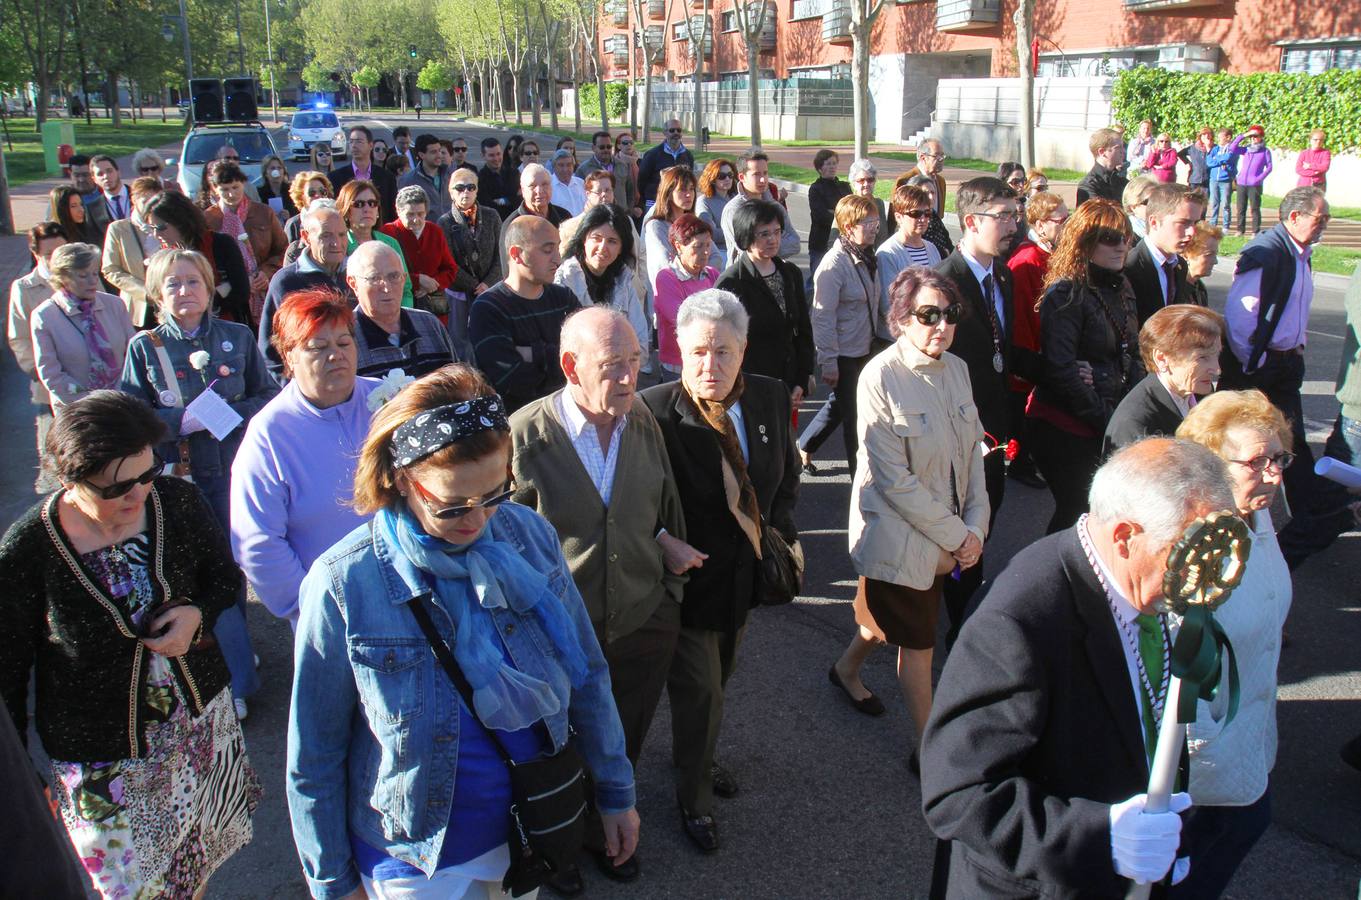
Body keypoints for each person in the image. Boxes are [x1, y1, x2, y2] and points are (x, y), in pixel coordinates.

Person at [287, 363, 639, 899]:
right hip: (415, 860)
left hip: (529, 828)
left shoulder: (528, 536)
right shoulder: (343, 584)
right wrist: (333, 883)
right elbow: (315, 752)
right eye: (453, 505)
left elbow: (587, 673)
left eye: (496, 493)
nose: (478, 521)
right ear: (403, 479)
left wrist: (616, 791)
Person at [922, 437, 1231, 897]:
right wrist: (1100, 836)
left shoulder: (1141, 587)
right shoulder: (1019, 622)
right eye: (1184, 551)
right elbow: (958, 793)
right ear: (1125, 537)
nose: (1202, 573)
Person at [0, 390, 262, 899]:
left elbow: (225, 580)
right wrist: (20, 782)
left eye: (147, 473)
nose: (138, 494)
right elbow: (7, 673)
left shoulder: (176, 501)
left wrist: (197, 615)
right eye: (116, 487)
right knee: (131, 891)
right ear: (69, 480)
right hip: (102, 760)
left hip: (197, 730)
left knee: (194, 868)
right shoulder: (28, 549)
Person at [510, 307, 692, 890]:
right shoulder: (524, 437)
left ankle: (605, 826)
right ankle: (562, 843)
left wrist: (670, 585)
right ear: (571, 366)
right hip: (560, 635)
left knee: (625, 734)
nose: (630, 377)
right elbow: (500, 546)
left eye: (636, 362)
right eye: (614, 365)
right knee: (560, 747)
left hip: (642, 621)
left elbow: (664, 509)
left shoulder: (641, 420)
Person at [640, 289, 799, 853]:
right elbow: (632, 502)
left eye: (725, 352)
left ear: (744, 349)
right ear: (677, 347)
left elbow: (786, 472)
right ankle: (694, 797)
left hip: (741, 577)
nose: (711, 366)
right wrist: (665, 543)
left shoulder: (770, 396)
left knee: (720, 681)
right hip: (683, 583)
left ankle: (696, 756)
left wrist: (781, 531)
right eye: (699, 352)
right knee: (702, 690)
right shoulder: (653, 411)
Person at [833, 266, 988, 760]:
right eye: (927, 315)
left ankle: (845, 671)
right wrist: (957, 537)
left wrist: (977, 527)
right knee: (918, 645)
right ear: (901, 318)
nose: (940, 325)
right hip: (901, 533)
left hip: (951, 534)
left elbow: (972, 456)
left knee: (880, 618)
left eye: (949, 314)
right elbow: (893, 480)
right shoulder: (879, 377)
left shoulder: (958, 369)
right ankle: (929, 754)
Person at [119, 247, 276, 718]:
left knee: (235, 568)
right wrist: (177, 421)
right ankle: (237, 684)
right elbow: (129, 415)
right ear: (157, 294)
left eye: (193, 282)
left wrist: (229, 417)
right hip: (179, 482)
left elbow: (267, 395)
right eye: (173, 284)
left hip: (236, 473)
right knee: (202, 574)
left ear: (209, 288)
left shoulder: (238, 336)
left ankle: (235, 646)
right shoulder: (145, 348)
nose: (184, 292)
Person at [1171, 391, 1293, 898]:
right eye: (1257, 463)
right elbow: (1174, 658)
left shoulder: (1256, 517)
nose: (1273, 475)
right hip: (1200, 748)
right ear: (1211, 466)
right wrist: (1203, 743)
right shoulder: (1195, 542)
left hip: (1250, 729)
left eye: (1279, 458)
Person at [231, 290, 380, 623]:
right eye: (318, 347)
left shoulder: (387, 399)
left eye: (343, 344)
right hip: (336, 612)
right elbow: (257, 542)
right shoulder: (270, 434)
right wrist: (313, 606)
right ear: (289, 356)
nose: (336, 356)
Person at [1221, 185, 1347, 570]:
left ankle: (1308, 518)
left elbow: (1296, 308)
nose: (1324, 225)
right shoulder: (1267, 253)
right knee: (1253, 445)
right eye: (1319, 218)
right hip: (1262, 368)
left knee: (1292, 441)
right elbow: (1241, 316)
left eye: (1325, 219)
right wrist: (1253, 363)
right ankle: (1240, 521)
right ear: (1294, 217)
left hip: (1287, 363)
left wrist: (1299, 343)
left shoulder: (1300, 253)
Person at [1026, 198, 1143, 533]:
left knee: (1103, 513)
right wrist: (1107, 418)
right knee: (1078, 512)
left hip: (1108, 412)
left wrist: (1123, 404)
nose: (1121, 246)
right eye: (1110, 239)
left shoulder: (1123, 286)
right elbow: (1061, 371)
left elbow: (1132, 352)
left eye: (1126, 237)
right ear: (1084, 242)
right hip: (1062, 423)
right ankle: (1051, 578)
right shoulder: (1066, 293)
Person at [470, 216, 579, 412]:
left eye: (557, 248)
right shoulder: (488, 308)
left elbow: (589, 357)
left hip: (571, 416)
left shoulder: (564, 298)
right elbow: (510, 381)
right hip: (521, 424)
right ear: (517, 254)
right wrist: (565, 360)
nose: (557, 259)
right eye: (547, 250)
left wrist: (533, 353)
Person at [807, 194, 881, 475]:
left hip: (866, 348)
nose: (875, 227)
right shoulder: (833, 266)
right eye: (868, 222)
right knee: (855, 419)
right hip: (845, 356)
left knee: (839, 407)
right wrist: (829, 361)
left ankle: (806, 444)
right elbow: (822, 317)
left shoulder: (866, 255)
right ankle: (860, 482)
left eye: (876, 220)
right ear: (848, 227)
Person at [715, 198, 815, 402]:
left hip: (788, 382)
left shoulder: (790, 273)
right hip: (751, 386)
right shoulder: (732, 282)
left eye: (777, 232)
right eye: (764, 234)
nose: (773, 239)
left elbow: (803, 330)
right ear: (746, 237)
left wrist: (802, 378)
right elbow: (724, 342)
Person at [1004, 190, 1068, 489]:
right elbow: (1021, 314)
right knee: (1021, 415)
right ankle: (1018, 461)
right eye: (1061, 220)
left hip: (1050, 346)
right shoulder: (1026, 259)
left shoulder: (1052, 253)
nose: (1066, 226)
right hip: (1031, 350)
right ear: (1041, 224)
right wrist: (1031, 358)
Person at [1104, 304, 1225, 456]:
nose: (1217, 369)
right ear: (1162, 359)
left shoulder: (1200, 395)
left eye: (1216, 355)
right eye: (1202, 357)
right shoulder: (1136, 423)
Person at [32, 242, 138, 409]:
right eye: (83, 276)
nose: (92, 281)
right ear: (63, 278)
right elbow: (51, 374)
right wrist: (91, 401)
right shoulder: (44, 316)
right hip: (77, 411)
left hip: (122, 404)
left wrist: (122, 395)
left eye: (95, 274)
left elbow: (133, 355)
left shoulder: (115, 305)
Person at [258, 204, 353, 379]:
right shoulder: (287, 282)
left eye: (341, 234)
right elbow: (271, 353)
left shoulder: (357, 274)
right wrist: (294, 389)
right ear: (306, 237)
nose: (336, 243)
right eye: (326, 235)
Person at [9, 222, 66, 493]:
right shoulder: (25, 288)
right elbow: (18, 338)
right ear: (36, 255)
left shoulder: (80, 275)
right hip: (48, 385)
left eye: (61, 250)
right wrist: (39, 371)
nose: (56, 259)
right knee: (53, 448)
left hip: (87, 380)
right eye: (49, 254)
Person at [346, 241, 456, 379]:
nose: (387, 288)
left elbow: (459, 386)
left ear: (404, 279)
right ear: (353, 283)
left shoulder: (429, 324)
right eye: (374, 278)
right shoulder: (345, 338)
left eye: (394, 277)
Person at [145, 190, 252, 324]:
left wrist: (197, 308)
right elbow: (156, 302)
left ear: (180, 220)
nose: (156, 234)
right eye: (152, 227)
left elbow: (241, 291)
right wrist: (218, 291)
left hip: (225, 328)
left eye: (160, 227)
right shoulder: (161, 258)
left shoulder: (221, 243)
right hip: (180, 332)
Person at [554, 203, 650, 353]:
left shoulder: (624, 281)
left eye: (612, 241)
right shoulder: (565, 280)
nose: (602, 247)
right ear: (584, 239)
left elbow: (640, 343)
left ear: (621, 248)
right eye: (596, 238)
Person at [204, 161, 289, 327]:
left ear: (243, 184)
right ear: (215, 189)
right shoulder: (209, 219)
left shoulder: (263, 212)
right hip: (230, 294)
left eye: (235, 187)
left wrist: (266, 272)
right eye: (225, 189)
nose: (231, 194)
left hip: (264, 286)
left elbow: (282, 249)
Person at [439, 166, 505, 357]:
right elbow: (448, 261)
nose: (465, 192)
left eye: (471, 187)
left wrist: (488, 284)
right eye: (460, 188)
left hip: (489, 290)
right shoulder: (444, 222)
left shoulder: (492, 216)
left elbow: (500, 254)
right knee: (461, 342)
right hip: (459, 294)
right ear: (451, 192)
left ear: (477, 190)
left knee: (490, 338)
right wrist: (474, 285)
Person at [1125, 182, 1206, 326]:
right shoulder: (1131, 268)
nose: (1192, 232)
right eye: (1183, 223)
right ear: (1154, 222)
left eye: (1194, 223)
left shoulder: (1179, 265)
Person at [655, 214, 720, 382]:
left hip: (709, 359)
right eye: (697, 246)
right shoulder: (667, 278)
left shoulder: (712, 274)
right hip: (678, 362)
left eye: (708, 245)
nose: (705, 252)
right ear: (678, 246)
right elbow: (681, 319)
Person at [381, 186, 459, 314]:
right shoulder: (387, 233)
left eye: (420, 214)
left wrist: (433, 284)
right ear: (398, 211)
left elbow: (451, 269)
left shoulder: (435, 231)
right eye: (410, 214)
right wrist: (417, 281)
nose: (416, 219)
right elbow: (383, 273)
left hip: (433, 309)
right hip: (400, 307)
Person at [337, 179, 414, 309]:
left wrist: (402, 316)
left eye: (372, 203)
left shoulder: (390, 243)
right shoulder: (339, 244)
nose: (367, 209)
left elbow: (405, 289)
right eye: (359, 204)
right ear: (346, 210)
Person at [100, 175, 165, 328]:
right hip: (138, 307)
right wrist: (144, 292)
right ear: (134, 200)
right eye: (145, 202)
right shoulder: (118, 229)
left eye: (154, 202)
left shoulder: (167, 226)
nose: (150, 208)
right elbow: (110, 269)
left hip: (168, 302)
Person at [645, 165, 721, 293]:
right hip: (670, 295)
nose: (688, 195)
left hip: (702, 293)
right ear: (668, 193)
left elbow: (716, 257)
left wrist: (698, 275)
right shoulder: (656, 226)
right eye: (682, 190)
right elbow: (666, 265)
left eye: (691, 189)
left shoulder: (695, 223)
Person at [720, 150, 800, 263]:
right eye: (756, 174)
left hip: (773, 272)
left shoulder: (775, 207)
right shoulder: (734, 209)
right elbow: (746, 250)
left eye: (765, 173)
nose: (763, 179)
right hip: (744, 277)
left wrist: (763, 244)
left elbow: (795, 244)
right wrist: (777, 242)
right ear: (742, 177)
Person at [329, 125, 399, 223]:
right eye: (351, 141)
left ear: (371, 145)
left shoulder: (386, 177)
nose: (354, 145)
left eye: (359, 141)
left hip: (379, 232)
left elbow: (392, 212)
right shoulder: (335, 177)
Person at [502, 164, 572, 262]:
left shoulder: (564, 217)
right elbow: (508, 268)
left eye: (545, 184)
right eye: (532, 186)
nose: (539, 191)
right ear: (523, 190)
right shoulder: (512, 224)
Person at [808, 150, 852, 276]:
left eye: (834, 163)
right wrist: (842, 215)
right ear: (820, 168)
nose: (832, 167)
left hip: (843, 242)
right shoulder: (816, 189)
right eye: (828, 164)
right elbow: (820, 215)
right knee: (817, 278)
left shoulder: (844, 187)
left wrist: (833, 212)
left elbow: (852, 212)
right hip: (820, 242)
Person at [637, 119, 695, 208]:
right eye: (672, 130)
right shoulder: (652, 154)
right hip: (655, 202)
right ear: (665, 133)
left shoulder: (688, 156)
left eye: (678, 130)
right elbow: (641, 180)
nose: (676, 133)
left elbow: (690, 180)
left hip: (678, 203)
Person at [696, 158, 740, 266]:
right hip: (719, 253)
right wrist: (738, 232)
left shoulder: (737, 198)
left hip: (740, 250)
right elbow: (710, 233)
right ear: (712, 179)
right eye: (722, 176)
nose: (727, 179)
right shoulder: (704, 202)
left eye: (730, 175)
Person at [398, 134, 452, 221]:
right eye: (433, 152)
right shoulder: (408, 181)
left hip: (451, 231)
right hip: (425, 231)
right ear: (421, 155)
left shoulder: (452, 175)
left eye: (439, 151)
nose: (439, 155)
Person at [902, 173, 955, 261]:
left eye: (933, 193)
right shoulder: (911, 218)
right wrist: (943, 253)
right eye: (926, 193)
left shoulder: (934, 215)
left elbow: (947, 242)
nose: (931, 197)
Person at [1076, 127, 1129, 207]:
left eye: (1123, 147)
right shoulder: (1089, 186)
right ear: (1102, 152)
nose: (1123, 151)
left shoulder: (1121, 181)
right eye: (1118, 148)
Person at [1235, 125, 1273, 236]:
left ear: (1261, 137)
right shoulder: (1246, 149)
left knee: (1255, 208)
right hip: (1241, 182)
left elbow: (1269, 167)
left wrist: (1258, 178)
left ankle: (1255, 231)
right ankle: (1240, 230)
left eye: (1256, 136)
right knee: (1241, 208)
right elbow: (1232, 148)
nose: (1253, 139)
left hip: (1254, 184)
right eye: (1251, 137)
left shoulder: (1265, 151)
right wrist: (1244, 135)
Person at [285, 170, 333, 242]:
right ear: (301, 197)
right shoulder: (294, 224)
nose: (318, 195)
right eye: (312, 193)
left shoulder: (335, 218)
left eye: (322, 191)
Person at [903, 139, 947, 218]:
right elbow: (895, 218)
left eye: (942, 155)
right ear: (923, 158)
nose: (941, 159)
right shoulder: (905, 180)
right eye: (936, 155)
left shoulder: (941, 181)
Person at [1184, 219, 1223, 308]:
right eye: (1209, 255)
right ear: (1186, 254)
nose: (1215, 261)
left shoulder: (1199, 288)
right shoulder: (1174, 291)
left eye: (1215, 254)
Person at [1206, 128, 1239, 230]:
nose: (1219, 139)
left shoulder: (1232, 150)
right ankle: (1213, 223)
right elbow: (1209, 162)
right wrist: (1221, 162)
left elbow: (1229, 159)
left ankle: (1226, 226)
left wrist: (1219, 160)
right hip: (1214, 180)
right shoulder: (1215, 149)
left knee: (1225, 204)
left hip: (1226, 180)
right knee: (1214, 203)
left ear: (1228, 137)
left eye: (1221, 137)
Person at [478, 137, 518, 218]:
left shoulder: (514, 173)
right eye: (491, 155)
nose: (496, 158)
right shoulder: (479, 179)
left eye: (498, 154)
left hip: (516, 221)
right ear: (483, 156)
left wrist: (502, 201)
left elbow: (521, 199)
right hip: (494, 224)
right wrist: (511, 199)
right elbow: (487, 206)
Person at [91, 153, 132, 223]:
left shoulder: (139, 195)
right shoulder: (92, 210)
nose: (106, 176)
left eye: (109, 171)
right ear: (94, 179)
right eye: (100, 174)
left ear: (118, 172)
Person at [614, 132, 643, 220]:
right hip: (622, 209)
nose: (629, 145)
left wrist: (640, 206)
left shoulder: (640, 162)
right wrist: (630, 209)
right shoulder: (614, 163)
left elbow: (644, 185)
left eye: (631, 142)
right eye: (625, 143)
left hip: (640, 207)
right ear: (618, 146)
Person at [550, 148, 588, 216]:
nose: (565, 169)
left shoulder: (581, 183)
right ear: (554, 167)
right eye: (561, 165)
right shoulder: (548, 186)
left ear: (573, 166)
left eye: (569, 165)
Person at [1177, 128, 1213, 196]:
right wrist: (1188, 163)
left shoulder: (1214, 148)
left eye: (1208, 134)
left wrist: (1208, 147)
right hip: (1195, 178)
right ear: (1200, 136)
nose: (1206, 136)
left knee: (1204, 201)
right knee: (1193, 200)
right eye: (1204, 134)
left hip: (1208, 179)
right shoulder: (1193, 147)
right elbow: (1180, 154)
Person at [1121, 174, 1158, 241]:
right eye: (1149, 201)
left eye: (1157, 198)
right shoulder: (1127, 236)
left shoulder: (1166, 224)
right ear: (1133, 207)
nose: (1155, 204)